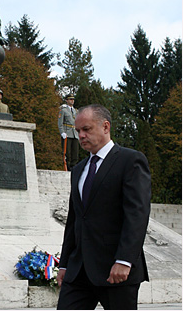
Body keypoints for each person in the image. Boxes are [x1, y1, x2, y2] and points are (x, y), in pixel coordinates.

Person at [56, 104, 151, 310]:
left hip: (115, 271)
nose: (80, 135)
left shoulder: (130, 160)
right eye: (78, 130)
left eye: (86, 129)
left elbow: (137, 215)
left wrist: (125, 260)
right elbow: (75, 220)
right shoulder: (79, 169)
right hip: (78, 270)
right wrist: (64, 264)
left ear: (105, 127)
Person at [58, 94, 79, 170]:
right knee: (67, 154)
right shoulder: (63, 110)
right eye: (70, 99)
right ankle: (67, 168)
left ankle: (73, 168)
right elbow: (60, 123)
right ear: (67, 100)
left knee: (75, 154)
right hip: (67, 133)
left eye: (73, 99)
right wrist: (62, 132)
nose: (72, 100)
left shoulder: (76, 111)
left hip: (75, 134)